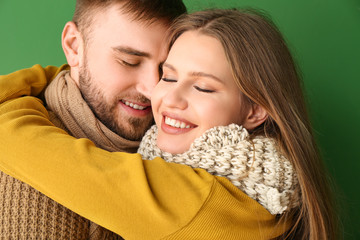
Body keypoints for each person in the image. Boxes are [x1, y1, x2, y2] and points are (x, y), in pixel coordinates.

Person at [0, 8, 338, 240]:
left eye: (203, 86)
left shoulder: (200, 201)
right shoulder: (270, 187)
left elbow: (12, 140)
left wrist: (47, 77)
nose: (164, 98)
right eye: (169, 76)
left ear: (256, 110)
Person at [0, 0, 186, 239]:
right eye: (129, 61)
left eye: (167, 71)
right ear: (74, 46)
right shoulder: (26, 184)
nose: (153, 89)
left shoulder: (191, 146)